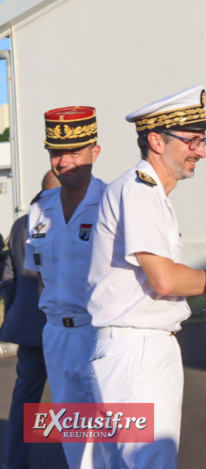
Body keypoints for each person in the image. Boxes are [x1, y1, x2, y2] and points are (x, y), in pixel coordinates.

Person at [86, 85, 206, 468]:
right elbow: (165, 279)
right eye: (192, 140)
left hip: (131, 352)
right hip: (137, 356)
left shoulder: (148, 193)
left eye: (202, 141)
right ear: (156, 140)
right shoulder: (139, 191)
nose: (201, 151)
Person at [24, 107, 107, 469]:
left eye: (74, 150)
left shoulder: (113, 201)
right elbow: (41, 276)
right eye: (56, 152)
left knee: (115, 438)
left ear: (95, 151)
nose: (64, 160)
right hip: (57, 335)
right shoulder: (39, 210)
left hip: (102, 333)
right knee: (75, 442)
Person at [1, 171, 59, 469]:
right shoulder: (67, 221)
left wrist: (16, 314)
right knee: (78, 399)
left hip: (30, 327)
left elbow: (8, 278)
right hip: (64, 328)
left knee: (24, 401)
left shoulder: (21, 224)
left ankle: (14, 462)